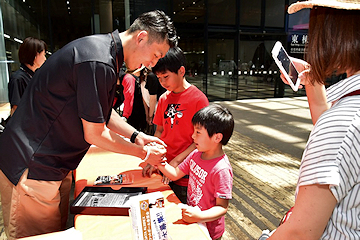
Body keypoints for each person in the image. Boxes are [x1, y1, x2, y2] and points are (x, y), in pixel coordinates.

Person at [0, 10, 177, 240]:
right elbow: (95, 132)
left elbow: (101, 112)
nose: (153, 64)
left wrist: (137, 136)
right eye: (155, 54)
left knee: (54, 230)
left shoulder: (104, 54)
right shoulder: (99, 60)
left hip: (49, 164)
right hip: (32, 165)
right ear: (141, 37)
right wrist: (144, 153)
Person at [262, 1, 360, 239]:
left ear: (333, 31)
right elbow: (343, 154)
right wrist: (312, 80)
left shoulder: (342, 123)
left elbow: (299, 233)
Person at [155, 104, 234, 240]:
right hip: (193, 221)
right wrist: (158, 161)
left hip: (210, 232)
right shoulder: (196, 154)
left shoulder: (222, 169)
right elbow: (174, 174)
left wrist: (200, 216)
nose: (193, 136)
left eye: (198, 132)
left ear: (217, 138)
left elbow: (222, 207)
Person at [142, 46, 209, 203]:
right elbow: (159, 131)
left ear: (181, 71)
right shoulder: (164, 99)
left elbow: (201, 142)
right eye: (159, 79)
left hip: (185, 173)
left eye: (166, 77)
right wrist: (153, 158)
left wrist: (177, 161)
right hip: (164, 167)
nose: (163, 83)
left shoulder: (199, 99)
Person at [8, 37, 47, 116]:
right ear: (36, 55)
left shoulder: (34, 76)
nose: (45, 58)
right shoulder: (18, 79)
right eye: (43, 54)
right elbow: (16, 109)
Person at [121, 66, 148, 132]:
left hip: (135, 112)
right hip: (136, 111)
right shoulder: (136, 78)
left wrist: (125, 116)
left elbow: (129, 97)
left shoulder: (128, 78)